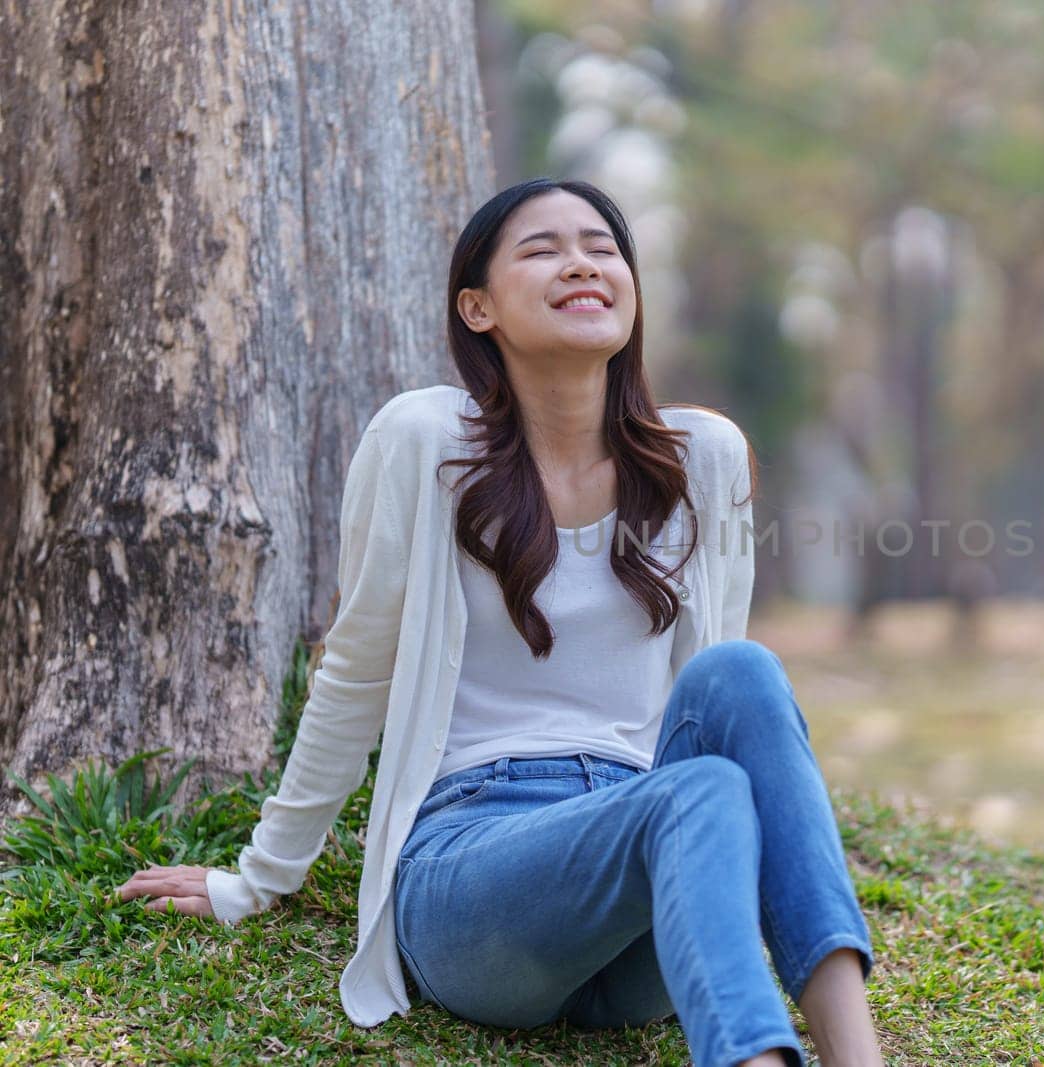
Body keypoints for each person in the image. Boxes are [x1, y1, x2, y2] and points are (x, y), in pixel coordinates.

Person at [116, 178, 883, 1067]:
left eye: (602, 246)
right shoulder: (426, 442)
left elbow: (723, 718)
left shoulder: (700, 459)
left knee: (741, 678)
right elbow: (356, 669)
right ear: (476, 307)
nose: (582, 263)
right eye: (542, 248)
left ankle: (855, 1056)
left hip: (647, 890)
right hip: (476, 877)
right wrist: (259, 877)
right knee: (698, 792)